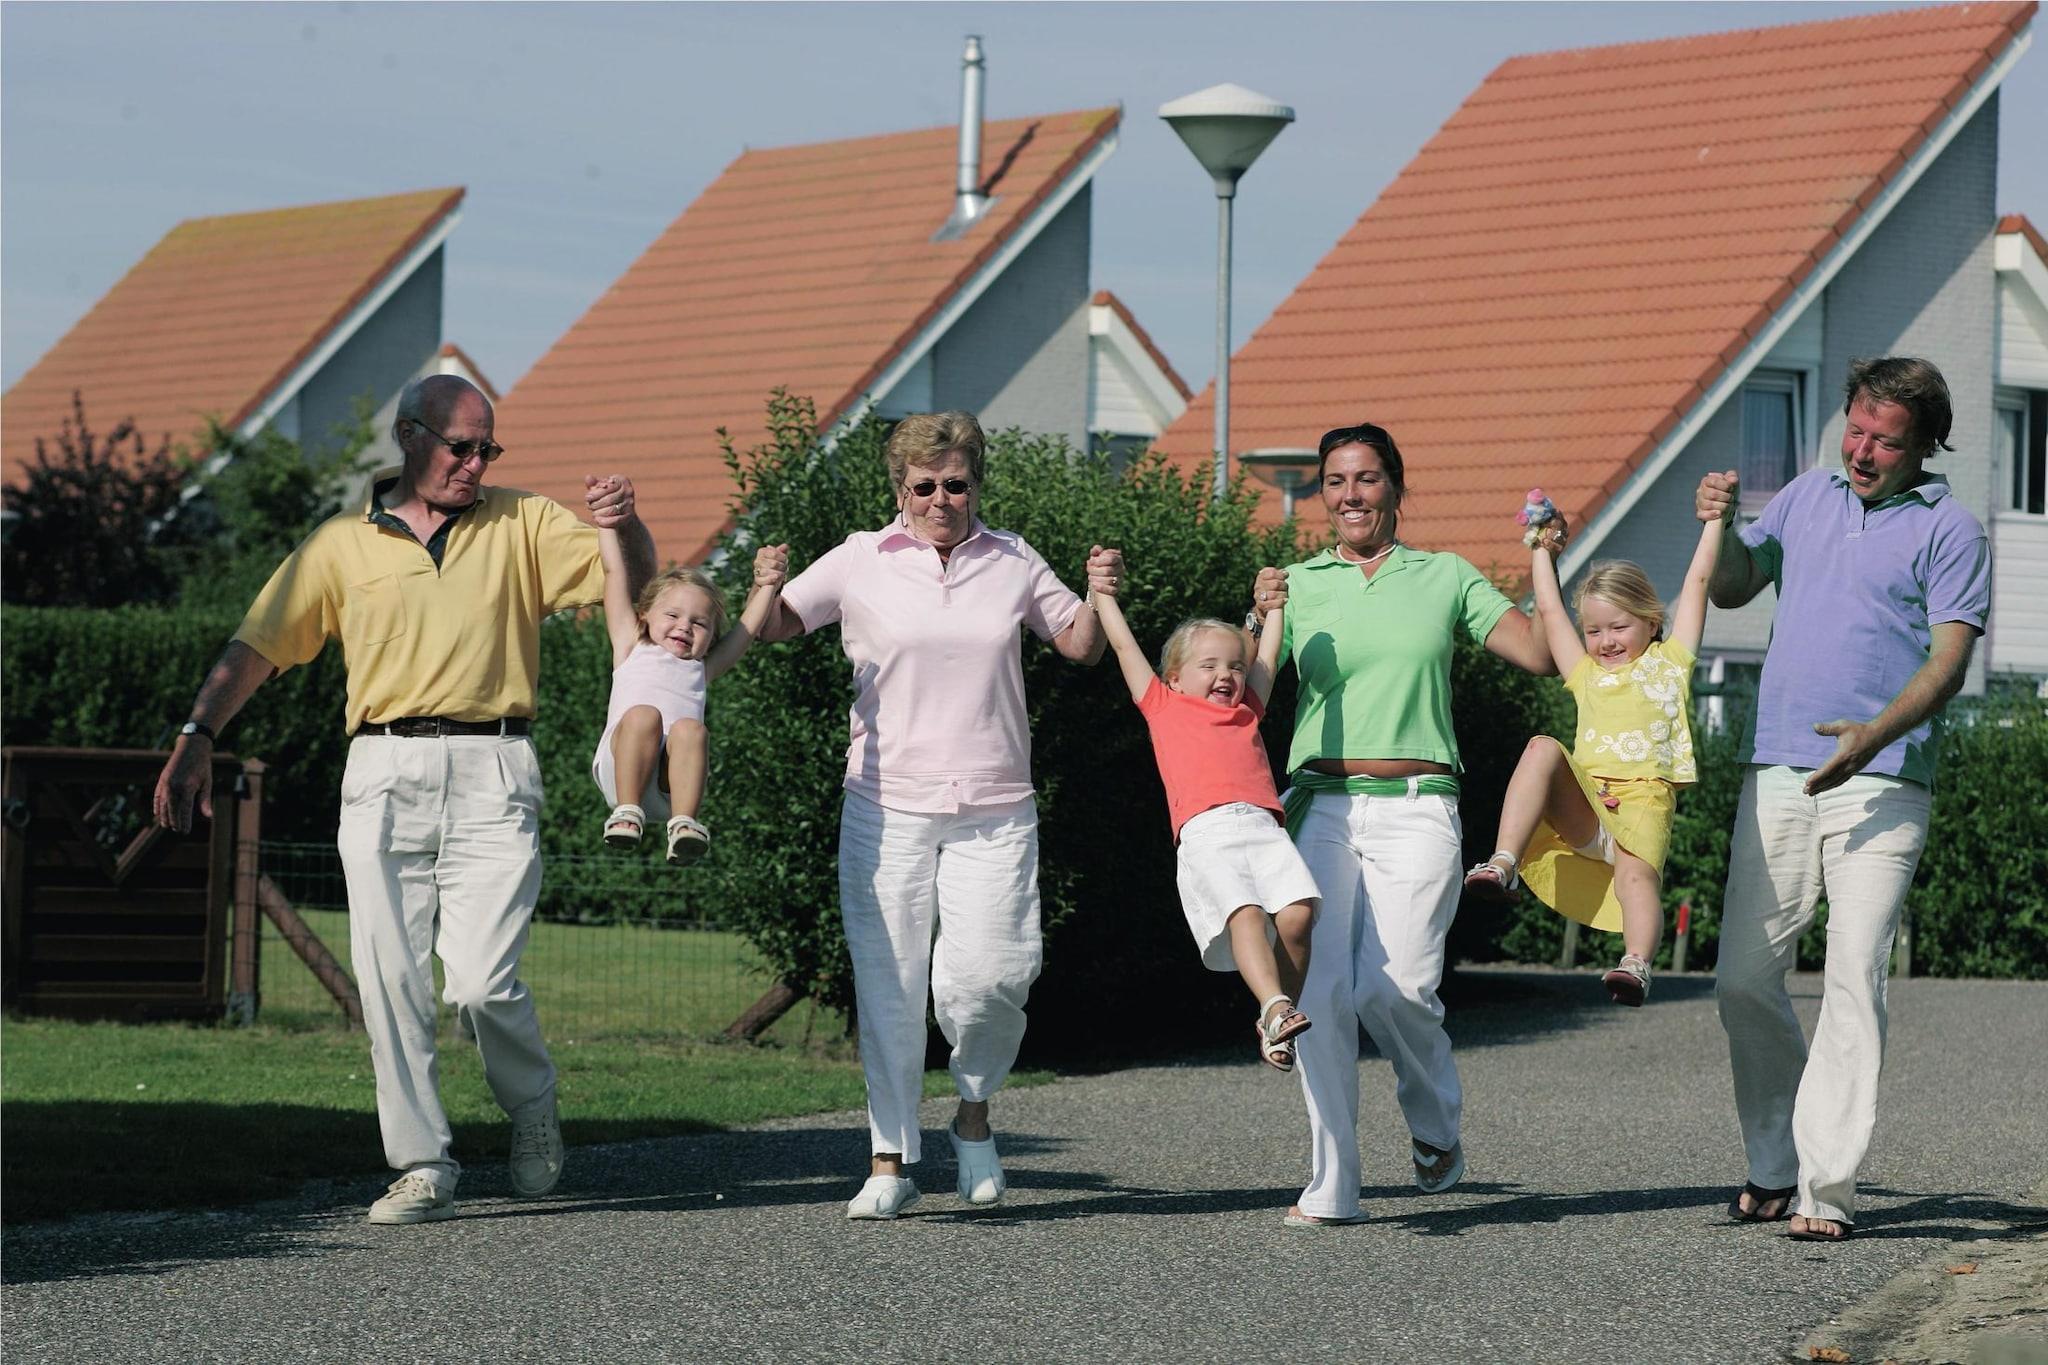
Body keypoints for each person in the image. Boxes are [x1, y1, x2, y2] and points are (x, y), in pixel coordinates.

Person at [152, 374, 655, 1226]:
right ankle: (423, 1163)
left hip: (496, 764)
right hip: (382, 769)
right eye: (462, 446)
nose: (477, 463)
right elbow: (257, 644)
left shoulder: (525, 522)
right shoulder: (339, 544)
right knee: (389, 979)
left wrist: (624, 524)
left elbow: (630, 584)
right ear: (410, 436)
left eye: (488, 448)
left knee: (483, 982)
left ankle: (531, 1103)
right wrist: (198, 733)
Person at [756, 410, 1120, 1221]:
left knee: (992, 978)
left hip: (996, 805)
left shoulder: (1013, 557)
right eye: (923, 486)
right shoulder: (861, 557)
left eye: (955, 483)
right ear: (900, 489)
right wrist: (763, 581)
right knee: (888, 983)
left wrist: (1099, 594)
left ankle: (973, 1113)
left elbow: (1079, 643)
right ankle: (888, 1160)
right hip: (884, 805)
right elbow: (780, 622)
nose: (940, 499)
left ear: (976, 484)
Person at [1705, 357, 1989, 1242]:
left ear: (1926, 445)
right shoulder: (1804, 495)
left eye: (1885, 441)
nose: (1862, 452)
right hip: (1778, 767)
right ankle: (1775, 1160)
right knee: (1741, 976)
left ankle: (1824, 1187)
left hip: (1885, 776)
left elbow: (1950, 661)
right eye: (1856, 431)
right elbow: (1732, 585)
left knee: (1854, 973)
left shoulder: (1952, 529)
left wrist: (1873, 733)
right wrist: (1720, 526)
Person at [1252, 422, 1557, 1229]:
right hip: (1319, 804)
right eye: (1335, 481)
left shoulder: (1445, 575)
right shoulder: (1299, 583)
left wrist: (1543, 558)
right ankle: (1334, 1183)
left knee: (1398, 988)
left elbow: (1539, 653)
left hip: (1419, 804)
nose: (1350, 494)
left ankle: (1434, 1120)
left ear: (1395, 486)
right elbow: (1245, 697)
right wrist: (1260, 618)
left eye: (1367, 478)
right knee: (1321, 992)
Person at [1464, 513, 1722, 1006]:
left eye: (1619, 627)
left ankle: (1636, 964)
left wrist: (1714, 521)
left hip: (1643, 806)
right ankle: (1503, 862)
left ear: (1652, 622)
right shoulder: (1585, 674)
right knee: (1542, 747)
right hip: (1588, 804)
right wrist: (1541, 549)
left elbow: (1698, 582)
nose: (1606, 642)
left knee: (1635, 878)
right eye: (1594, 631)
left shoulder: (1671, 664)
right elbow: (1549, 610)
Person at [1092, 585, 1319, 1069]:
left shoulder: (1246, 711)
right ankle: (1275, 1006)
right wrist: (1102, 594)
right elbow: (1124, 646)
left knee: (1299, 916)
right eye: (1209, 665)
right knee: (1246, 914)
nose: (1226, 675)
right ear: (1174, 679)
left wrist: (1277, 608)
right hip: (1208, 833)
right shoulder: (1162, 705)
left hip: (1264, 828)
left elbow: (1268, 657)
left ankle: (1277, 1021)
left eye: (1235, 666)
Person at [592, 533, 789, 864]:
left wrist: (769, 583)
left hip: (672, 784)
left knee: (691, 729)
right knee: (644, 715)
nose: (684, 627)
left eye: (699, 623)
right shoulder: (630, 645)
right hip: (623, 772)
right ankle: (626, 813)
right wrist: (607, 526)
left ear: (711, 637)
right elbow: (614, 573)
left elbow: (747, 629)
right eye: (673, 616)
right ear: (645, 614)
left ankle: (683, 825)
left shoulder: (702, 668)